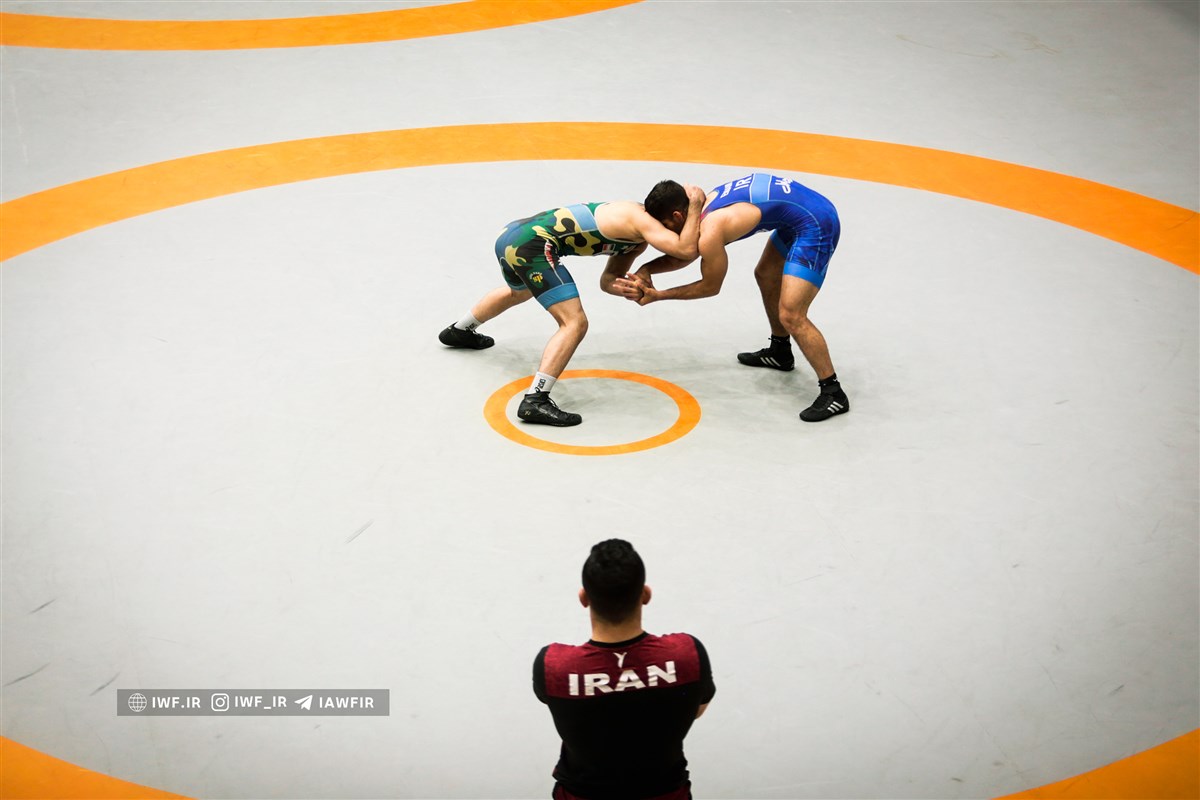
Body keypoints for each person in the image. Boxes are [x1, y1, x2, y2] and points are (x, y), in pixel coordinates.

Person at [437, 181, 706, 427]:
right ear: (677, 217)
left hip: (513, 236)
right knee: (574, 323)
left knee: (520, 292)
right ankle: (535, 400)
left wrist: (629, 289)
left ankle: (459, 331)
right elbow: (686, 249)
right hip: (533, 244)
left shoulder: (636, 240)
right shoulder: (640, 219)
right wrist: (695, 204)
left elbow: (607, 280)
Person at [615, 173, 849, 422]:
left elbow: (710, 286)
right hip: (800, 215)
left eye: (666, 226)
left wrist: (659, 295)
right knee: (766, 274)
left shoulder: (712, 228)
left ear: (678, 216)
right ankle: (780, 351)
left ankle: (833, 392)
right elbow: (689, 251)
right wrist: (647, 269)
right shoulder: (702, 202)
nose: (667, 235)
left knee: (792, 314)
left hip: (816, 223)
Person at [533, 539, 715, 800]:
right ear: (645, 594)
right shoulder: (687, 655)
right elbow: (694, 710)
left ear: (584, 598)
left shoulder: (554, 666)